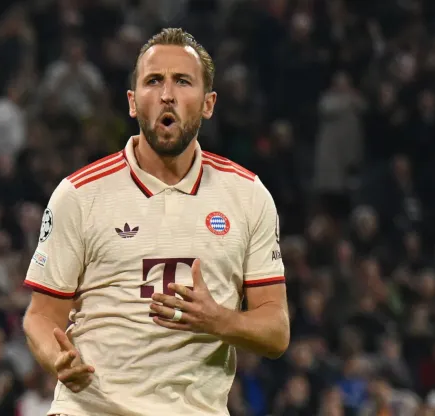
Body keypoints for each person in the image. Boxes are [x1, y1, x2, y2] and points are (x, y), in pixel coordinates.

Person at [22, 28, 290, 416]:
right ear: (132, 102)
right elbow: (41, 315)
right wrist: (56, 360)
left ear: (209, 103)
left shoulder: (247, 196)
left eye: (183, 81)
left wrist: (220, 320)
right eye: (153, 81)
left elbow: (276, 330)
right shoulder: (79, 194)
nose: (167, 94)